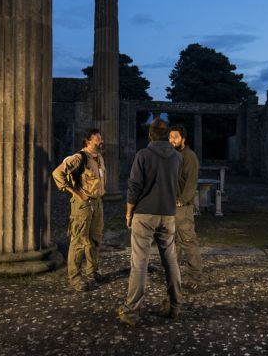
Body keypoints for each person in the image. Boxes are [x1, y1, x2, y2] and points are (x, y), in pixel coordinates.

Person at [118, 118, 183, 326]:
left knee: (140, 262)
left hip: (145, 214)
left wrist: (129, 212)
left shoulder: (143, 155)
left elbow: (134, 186)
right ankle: (175, 305)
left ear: (150, 135)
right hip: (168, 214)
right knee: (170, 260)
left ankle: (131, 312)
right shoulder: (177, 157)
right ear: (166, 136)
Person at [52, 128, 106, 292]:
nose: (101, 141)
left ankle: (92, 271)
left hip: (97, 203)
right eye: (97, 138)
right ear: (88, 141)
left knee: (95, 238)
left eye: (100, 138)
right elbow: (57, 173)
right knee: (79, 242)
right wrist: (75, 192)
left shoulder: (99, 158)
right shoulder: (79, 157)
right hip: (82, 204)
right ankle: (75, 278)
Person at [168, 124, 204, 291]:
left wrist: (182, 200)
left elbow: (191, 182)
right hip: (170, 207)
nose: (171, 140)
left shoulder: (189, 156)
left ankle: (195, 277)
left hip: (182, 207)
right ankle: (174, 276)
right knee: (174, 243)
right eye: (170, 137)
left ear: (183, 139)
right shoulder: (173, 155)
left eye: (175, 137)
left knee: (188, 241)